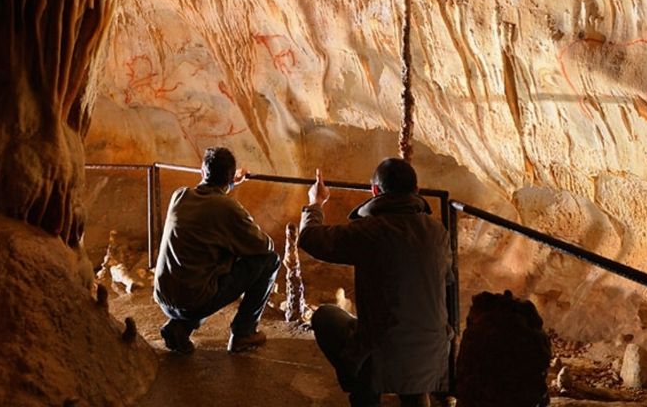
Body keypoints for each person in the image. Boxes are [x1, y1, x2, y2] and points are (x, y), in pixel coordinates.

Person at [299, 158, 452, 407]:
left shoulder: (370, 230)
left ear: (375, 191)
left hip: (384, 354)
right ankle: (416, 396)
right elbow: (448, 281)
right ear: (417, 191)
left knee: (325, 317)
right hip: (433, 354)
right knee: (410, 336)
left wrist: (315, 202)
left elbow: (310, 238)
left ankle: (365, 390)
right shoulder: (438, 232)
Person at [153, 146, 280, 354]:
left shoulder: (180, 195)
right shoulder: (228, 208)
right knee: (269, 260)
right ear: (230, 178)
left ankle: (179, 327)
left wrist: (228, 184)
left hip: (164, 297)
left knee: (200, 263)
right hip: (191, 302)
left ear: (202, 171)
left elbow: (208, 201)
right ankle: (244, 333)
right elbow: (265, 246)